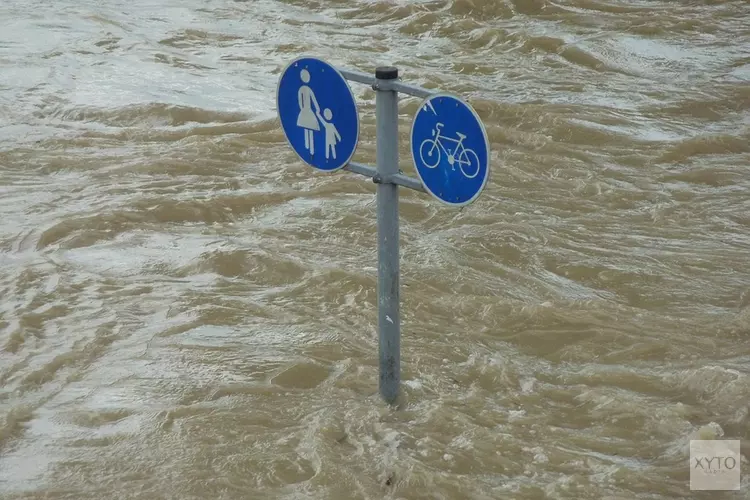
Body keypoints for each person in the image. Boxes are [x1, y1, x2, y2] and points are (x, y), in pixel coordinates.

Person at [296, 69, 321, 155]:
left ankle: (309, 148)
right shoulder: (305, 89)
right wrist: (317, 109)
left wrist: (302, 109)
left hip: (305, 111)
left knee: (308, 128)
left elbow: (303, 100)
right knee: (309, 129)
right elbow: (313, 100)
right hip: (307, 111)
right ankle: (310, 149)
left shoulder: (302, 89)